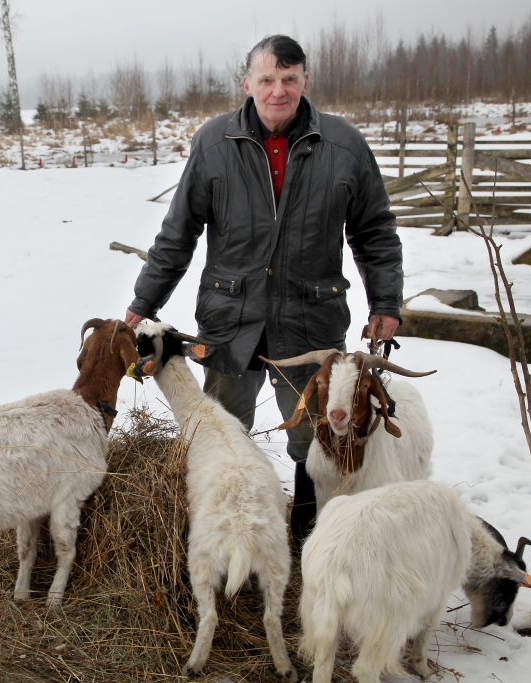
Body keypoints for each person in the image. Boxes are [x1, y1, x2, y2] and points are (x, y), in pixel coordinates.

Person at [123, 35, 403, 546]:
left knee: (315, 437)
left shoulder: (343, 146)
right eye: (268, 79)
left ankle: (308, 541)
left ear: (305, 82)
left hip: (310, 323)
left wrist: (385, 302)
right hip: (231, 322)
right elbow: (178, 233)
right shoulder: (215, 143)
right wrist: (144, 303)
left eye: (289, 79)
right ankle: (220, 536)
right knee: (219, 430)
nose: (279, 90)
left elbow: (374, 232)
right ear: (247, 83)